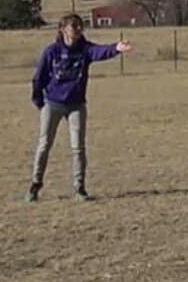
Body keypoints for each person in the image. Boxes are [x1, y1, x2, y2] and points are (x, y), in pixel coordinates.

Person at [25, 14, 131, 202]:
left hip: (76, 106)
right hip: (53, 104)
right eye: (73, 26)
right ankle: (35, 185)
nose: (77, 29)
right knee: (44, 146)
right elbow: (38, 78)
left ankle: (79, 188)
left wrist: (116, 48)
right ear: (63, 29)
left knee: (78, 148)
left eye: (79, 26)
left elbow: (99, 51)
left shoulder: (85, 49)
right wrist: (39, 101)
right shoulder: (52, 51)